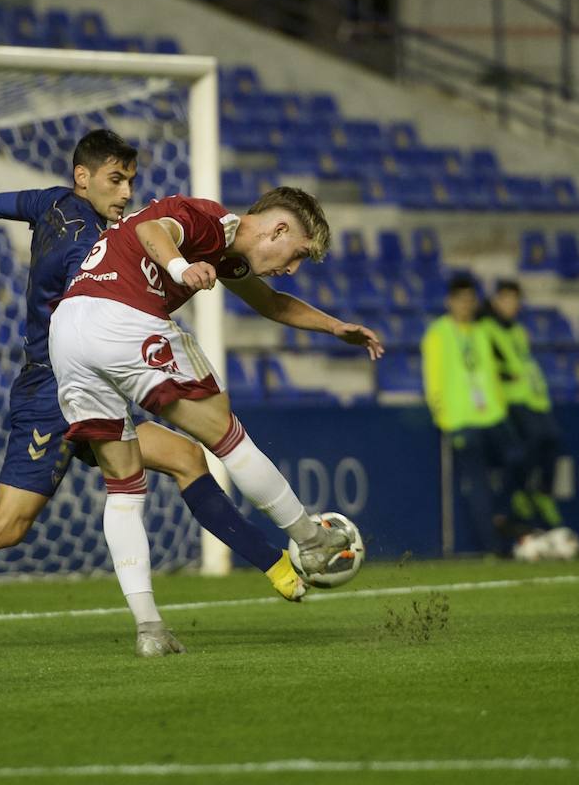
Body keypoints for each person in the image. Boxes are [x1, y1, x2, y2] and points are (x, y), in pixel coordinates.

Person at [0, 130, 307, 659]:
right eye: (115, 180)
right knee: (7, 524)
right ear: (84, 177)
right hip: (54, 384)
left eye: (130, 182)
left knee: (186, 457)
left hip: (88, 374)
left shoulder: (52, 203)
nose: (125, 193)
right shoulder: (90, 242)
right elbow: (104, 296)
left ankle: (275, 567)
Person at [48, 185, 383, 655]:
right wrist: (182, 267)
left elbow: (272, 304)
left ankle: (150, 629)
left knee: (124, 485)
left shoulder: (228, 254)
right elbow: (152, 229)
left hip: (67, 332)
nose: (293, 269)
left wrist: (335, 327)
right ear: (279, 229)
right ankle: (313, 540)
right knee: (225, 435)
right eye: (298, 255)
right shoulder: (210, 220)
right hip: (122, 318)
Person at [422, 274, 530, 558]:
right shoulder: (438, 333)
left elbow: (492, 372)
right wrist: (443, 417)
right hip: (460, 419)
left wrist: (500, 406)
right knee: (478, 481)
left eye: (471, 300)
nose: (466, 306)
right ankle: (493, 548)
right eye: (461, 300)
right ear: (450, 302)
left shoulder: (482, 331)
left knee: (519, 457)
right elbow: (433, 378)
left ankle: (502, 514)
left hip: (493, 414)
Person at [481, 279, 576, 555]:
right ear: (496, 301)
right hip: (511, 399)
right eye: (506, 299)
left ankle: (541, 492)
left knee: (551, 441)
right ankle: (521, 495)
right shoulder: (487, 329)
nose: (512, 305)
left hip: (535, 398)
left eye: (515, 300)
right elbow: (491, 364)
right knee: (527, 446)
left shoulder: (518, 331)